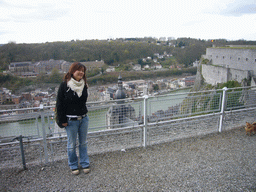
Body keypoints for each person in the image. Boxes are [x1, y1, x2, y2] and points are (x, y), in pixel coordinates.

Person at [56, 62, 90, 175]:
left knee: (83, 143)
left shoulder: (84, 85)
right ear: (72, 71)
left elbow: (83, 102)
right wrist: (62, 121)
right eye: (78, 70)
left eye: (83, 71)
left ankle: (85, 163)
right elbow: (59, 104)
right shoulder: (64, 86)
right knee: (71, 145)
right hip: (71, 120)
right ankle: (73, 165)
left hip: (84, 118)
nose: (81, 72)